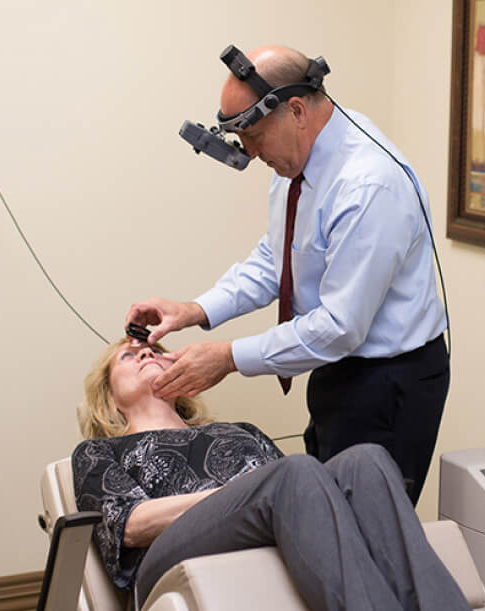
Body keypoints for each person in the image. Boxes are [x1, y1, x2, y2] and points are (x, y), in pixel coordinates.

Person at [71, 338, 485, 611]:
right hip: (168, 563)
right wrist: (239, 494)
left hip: (265, 521)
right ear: (109, 398)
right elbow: (130, 525)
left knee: (366, 461)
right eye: (129, 355)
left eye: (154, 350)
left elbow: (305, 497)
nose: (146, 352)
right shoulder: (98, 451)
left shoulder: (239, 432)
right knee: (294, 472)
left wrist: (267, 492)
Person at [126, 45, 448, 505]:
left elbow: (340, 326)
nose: (251, 153)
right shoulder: (298, 159)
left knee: (367, 531)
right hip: (336, 369)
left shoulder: (368, 185)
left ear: (296, 110)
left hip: (388, 382)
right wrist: (195, 310)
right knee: (330, 518)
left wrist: (228, 358)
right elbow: (278, 260)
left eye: (255, 136)